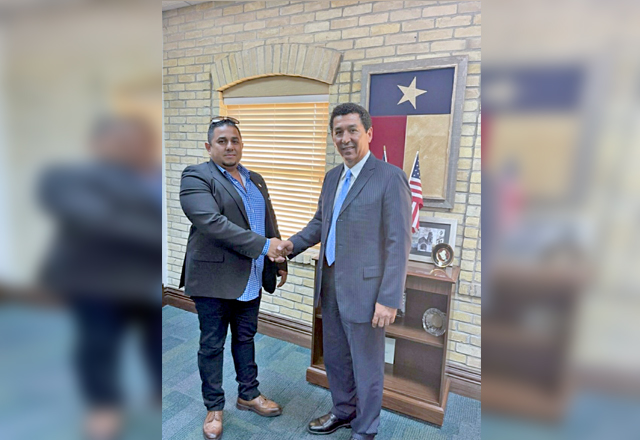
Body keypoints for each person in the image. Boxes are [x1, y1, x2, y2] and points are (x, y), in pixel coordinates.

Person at [277, 103, 412, 440]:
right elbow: (321, 223)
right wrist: (291, 245)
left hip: (367, 292)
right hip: (331, 285)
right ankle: (343, 411)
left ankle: (365, 429)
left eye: (353, 130)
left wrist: (389, 298)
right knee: (336, 358)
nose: (345, 138)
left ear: (369, 133)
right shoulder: (332, 177)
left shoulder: (389, 177)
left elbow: (398, 243)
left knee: (366, 366)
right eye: (338, 132)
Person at [39, 116, 162, 440]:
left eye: (138, 140)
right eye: (121, 140)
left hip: (145, 279)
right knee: (99, 343)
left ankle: (156, 389)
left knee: (154, 339)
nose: (131, 147)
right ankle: (103, 405)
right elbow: (103, 221)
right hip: (97, 281)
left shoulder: (156, 176)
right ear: (99, 144)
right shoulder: (69, 178)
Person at [179, 116, 288, 440]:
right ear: (209, 146)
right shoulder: (197, 176)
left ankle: (248, 394)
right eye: (222, 141)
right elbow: (212, 223)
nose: (230, 146)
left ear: (241, 144)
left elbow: (267, 221)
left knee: (245, 337)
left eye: (235, 140)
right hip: (214, 279)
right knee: (212, 344)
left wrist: (278, 260)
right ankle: (214, 407)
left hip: (250, 276)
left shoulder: (255, 179)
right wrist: (265, 246)